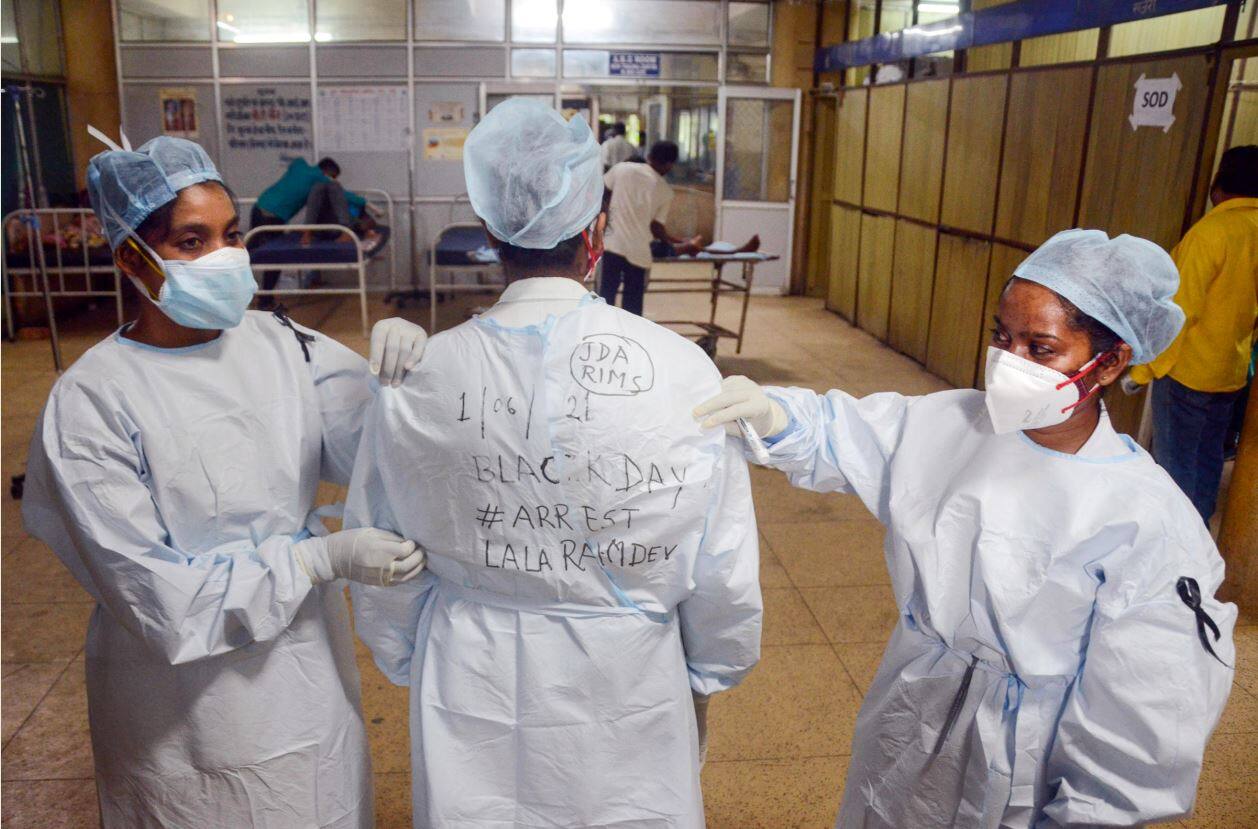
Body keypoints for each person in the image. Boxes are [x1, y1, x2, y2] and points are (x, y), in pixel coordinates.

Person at [694, 229, 1236, 828]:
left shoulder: (1145, 519)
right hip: (912, 707)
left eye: (1041, 348)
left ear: (1108, 363)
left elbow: (1144, 721)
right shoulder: (952, 425)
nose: (1009, 363)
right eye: (1002, 337)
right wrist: (774, 414)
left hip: (1025, 756)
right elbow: (843, 433)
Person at [348, 98, 762, 829]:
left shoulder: (423, 377)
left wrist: (408, 657)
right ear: (596, 234)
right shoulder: (681, 369)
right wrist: (707, 671)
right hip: (628, 676)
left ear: (489, 232)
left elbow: (382, 552)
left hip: (471, 679)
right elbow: (721, 561)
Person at [21, 134, 430, 828]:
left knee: (318, 802)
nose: (226, 256)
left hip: (302, 676)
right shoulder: (93, 400)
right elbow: (157, 598)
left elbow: (384, 448)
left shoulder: (281, 344)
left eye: (231, 234)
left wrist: (410, 380)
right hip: (179, 705)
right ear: (131, 257)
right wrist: (315, 556)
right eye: (192, 241)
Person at [1128, 144, 1258, 522]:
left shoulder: (1210, 233)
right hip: (1231, 372)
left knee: (1176, 464)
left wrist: (1142, 370)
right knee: (1209, 457)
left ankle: (1176, 541)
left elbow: (1180, 312)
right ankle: (1198, 531)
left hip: (1189, 372)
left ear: (1220, 185)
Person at [249, 156, 384, 308]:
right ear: (327, 173)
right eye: (333, 177)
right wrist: (368, 204)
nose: (333, 181)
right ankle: (263, 301)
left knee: (252, 254)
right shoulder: (321, 181)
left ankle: (260, 299)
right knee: (271, 259)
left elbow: (296, 163)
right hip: (271, 219)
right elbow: (347, 196)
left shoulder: (299, 165)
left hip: (259, 206)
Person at [599, 140, 701, 316]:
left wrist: (605, 221)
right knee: (632, 308)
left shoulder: (622, 169)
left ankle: (601, 335)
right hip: (639, 253)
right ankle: (630, 339)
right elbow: (656, 228)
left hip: (612, 245)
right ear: (670, 165)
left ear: (649, 155)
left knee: (605, 299)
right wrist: (669, 242)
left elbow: (603, 193)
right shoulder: (665, 190)